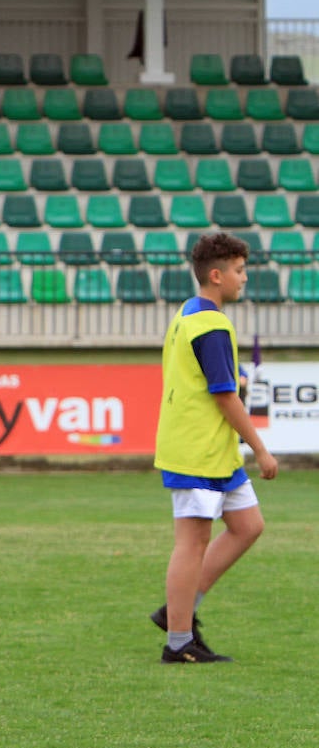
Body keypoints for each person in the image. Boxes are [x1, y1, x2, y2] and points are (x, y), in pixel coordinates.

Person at [152, 232, 278, 665]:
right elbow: (226, 397)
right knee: (193, 540)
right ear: (217, 274)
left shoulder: (190, 312)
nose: (245, 279)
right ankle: (178, 642)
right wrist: (261, 449)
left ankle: (177, 610)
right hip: (197, 450)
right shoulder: (211, 324)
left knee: (248, 525)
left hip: (213, 449)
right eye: (240, 271)